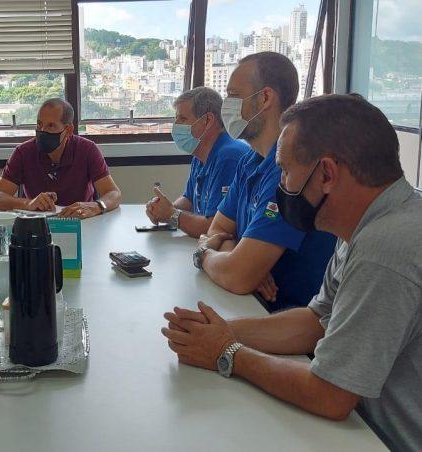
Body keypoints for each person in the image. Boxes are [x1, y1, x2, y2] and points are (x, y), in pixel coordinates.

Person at [162, 94, 422, 452]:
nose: (281, 185)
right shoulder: (365, 226)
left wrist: (227, 351)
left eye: (285, 171)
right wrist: (216, 331)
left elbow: (331, 393)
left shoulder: (386, 247)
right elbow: (316, 321)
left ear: (327, 174)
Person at [194, 52, 335, 310]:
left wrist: (205, 254)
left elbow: (238, 276)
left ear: (265, 98)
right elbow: (216, 229)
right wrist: (237, 257)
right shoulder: (250, 161)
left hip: (289, 317)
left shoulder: (290, 169)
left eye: (233, 95)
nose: (227, 105)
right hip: (253, 305)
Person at [0, 98, 122, 219]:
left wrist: (96, 206)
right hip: (38, 224)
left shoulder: (87, 149)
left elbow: (113, 193)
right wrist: (28, 203)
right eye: (39, 124)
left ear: (68, 130)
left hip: (80, 222)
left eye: (51, 126)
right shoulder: (23, 152)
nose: (42, 131)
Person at [146, 87, 249, 238]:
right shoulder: (200, 154)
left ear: (207, 121)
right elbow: (189, 200)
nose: (176, 125)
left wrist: (171, 215)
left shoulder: (229, 157)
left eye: (182, 119)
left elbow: (215, 228)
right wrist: (163, 209)